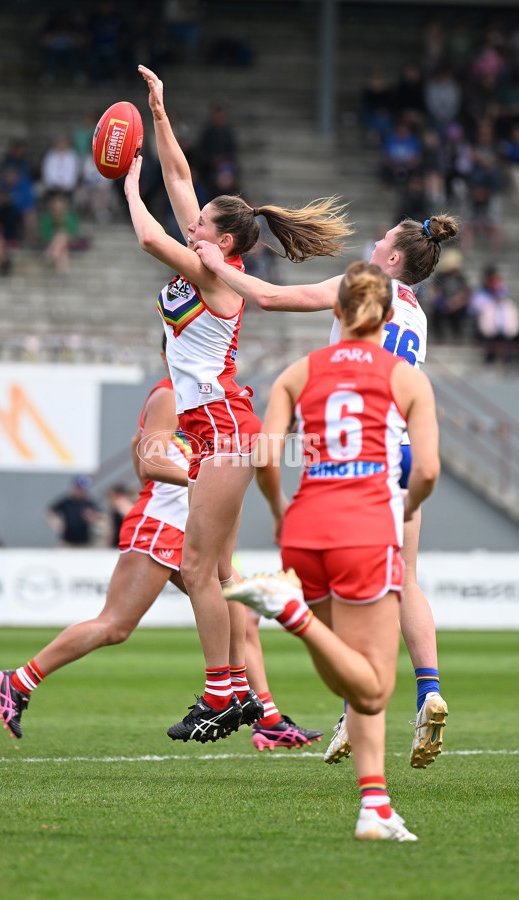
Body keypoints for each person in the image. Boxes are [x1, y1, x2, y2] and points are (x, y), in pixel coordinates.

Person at [124, 64, 351, 744]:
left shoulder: (216, 272)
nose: (189, 221)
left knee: (198, 567)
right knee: (215, 570)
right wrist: (159, 113)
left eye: (200, 224)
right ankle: (242, 700)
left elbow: (148, 235)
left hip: (225, 426)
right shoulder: (210, 254)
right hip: (215, 426)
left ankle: (225, 697)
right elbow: (182, 179)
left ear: (222, 242)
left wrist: (125, 184)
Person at [196, 213, 456, 767]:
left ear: (391, 261)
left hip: (347, 459)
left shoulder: (361, 291)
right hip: (401, 450)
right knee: (404, 580)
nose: (373, 243)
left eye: (381, 240)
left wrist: (216, 263)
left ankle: (354, 711)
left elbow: (267, 297)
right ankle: (428, 689)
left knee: (341, 592)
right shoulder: (418, 315)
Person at [0, 342, 320, 748]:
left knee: (238, 607)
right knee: (115, 626)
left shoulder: (215, 400)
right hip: (160, 524)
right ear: (172, 355)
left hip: (192, 526)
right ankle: (18, 681)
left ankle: (264, 715)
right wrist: (205, 481)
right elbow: (148, 462)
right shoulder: (169, 393)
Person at [225, 260, 441, 841]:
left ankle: (376, 805)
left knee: (349, 681)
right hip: (366, 524)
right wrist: (409, 503)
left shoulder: (300, 371)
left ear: (338, 310)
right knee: (373, 686)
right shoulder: (406, 376)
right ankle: (288, 611)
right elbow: (427, 471)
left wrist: (276, 513)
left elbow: (266, 456)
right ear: (386, 314)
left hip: (305, 523)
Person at [45, 474, 103, 547]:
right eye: (79, 488)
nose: (81, 491)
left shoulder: (89, 503)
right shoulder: (66, 502)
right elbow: (49, 511)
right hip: (67, 543)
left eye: (83, 489)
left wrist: (93, 517)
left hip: (84, 544)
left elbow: (102, 516)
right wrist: (55, 521)